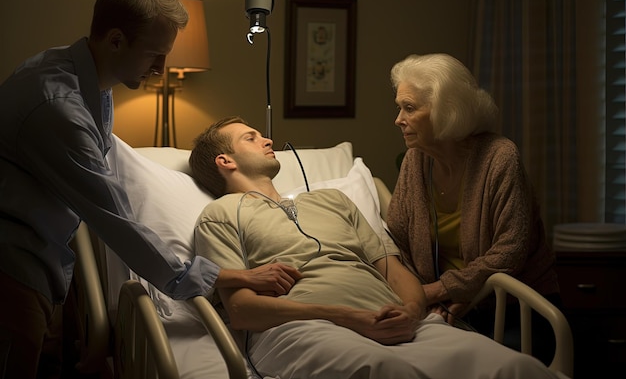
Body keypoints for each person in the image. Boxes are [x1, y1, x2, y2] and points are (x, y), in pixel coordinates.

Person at [0, 0, 300, 379]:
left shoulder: (88, 81)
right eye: (154, 55)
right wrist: (224, 276)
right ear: (116, 40)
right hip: (12, 272)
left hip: (40, 264)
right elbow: (117, 221)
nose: (161, 69)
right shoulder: (59, 108)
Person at [189, 116, 564, 379]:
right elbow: (240, 311)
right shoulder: (220, 215)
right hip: (302, 328)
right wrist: (351, 319)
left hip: (395, 319)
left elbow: (393, 271)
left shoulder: (332, 201)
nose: (268, 140)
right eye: (251, 137)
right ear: (226, 160)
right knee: (386, 372)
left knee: (517, 368)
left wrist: (414, 312)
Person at [386, 53, 561, 365]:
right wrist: (432, 298)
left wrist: (441, 292)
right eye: (400, 108)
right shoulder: (415, 161)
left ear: (445, 111)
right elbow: (399, 239)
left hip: (511, 308)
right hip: (443, 306)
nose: (398, 119)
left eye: (409, 108)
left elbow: (510, 250)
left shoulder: (499, 157)